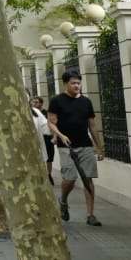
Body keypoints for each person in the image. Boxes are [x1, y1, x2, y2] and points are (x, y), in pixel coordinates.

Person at [48, 71, 105, 227]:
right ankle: (63, 200)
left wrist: (99, 147)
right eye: (73, 83)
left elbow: (92, 126)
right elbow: (51, 122)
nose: (76, 86)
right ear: (65, 84)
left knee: (88, 178)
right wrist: (60, 135)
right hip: (66, 146)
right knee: (70, 179)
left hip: (85, 145)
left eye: (78, 83)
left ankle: (90, 215)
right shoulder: (57, 101)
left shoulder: (86, 102)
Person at [31, 96, 54, 184]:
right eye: (34, 102)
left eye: (37, 102)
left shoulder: (38, 113)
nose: (35, 104)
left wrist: (58, 134)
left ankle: (48, 175)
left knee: (49, 158)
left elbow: (48, 128)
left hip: (46, 140)